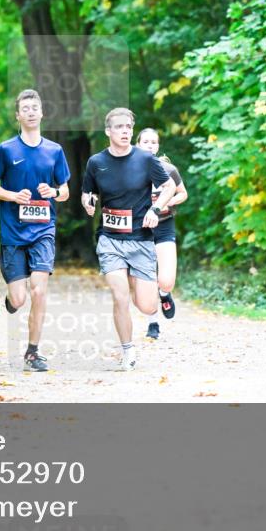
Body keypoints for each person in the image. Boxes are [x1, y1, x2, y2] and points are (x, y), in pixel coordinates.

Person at [81, 108, 176, 371]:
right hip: (110, 240)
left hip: (141, 240)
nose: (124, 131)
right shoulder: (96, 162)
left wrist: (155, 210)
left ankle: (154, 291)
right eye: (119, 127)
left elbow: (169, 187)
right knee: (120, 296)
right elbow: (87, 192)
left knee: (145, 306)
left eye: (128, 127)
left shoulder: (146, 160)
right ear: (108, 131)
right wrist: (88, 203)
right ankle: (127, 350)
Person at [0, 89, 70, 373]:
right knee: (19, 299)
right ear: (18, 115)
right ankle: (11, 299)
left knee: (39, 291)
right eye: (26, 108)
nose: (31, 111)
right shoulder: (6, 150)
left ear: (42, 113)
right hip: (13, 232)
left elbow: (66, 191)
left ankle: (32, 352)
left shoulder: (54, 150)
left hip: (44, 230)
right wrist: (12, 196)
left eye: (35, 107)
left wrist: (53, 191)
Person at [136, 128, 188, 339]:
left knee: (165, 280)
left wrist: (168, 201)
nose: (149, 145)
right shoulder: (130, 170)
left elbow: (183, 193)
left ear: (157, 146)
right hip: (140, 229)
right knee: (147, 278)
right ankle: (153, 322)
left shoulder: (169, 169)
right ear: (137, 144)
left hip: (164, 226)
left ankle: (165, 294)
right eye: (145, 141)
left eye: (153, 142)